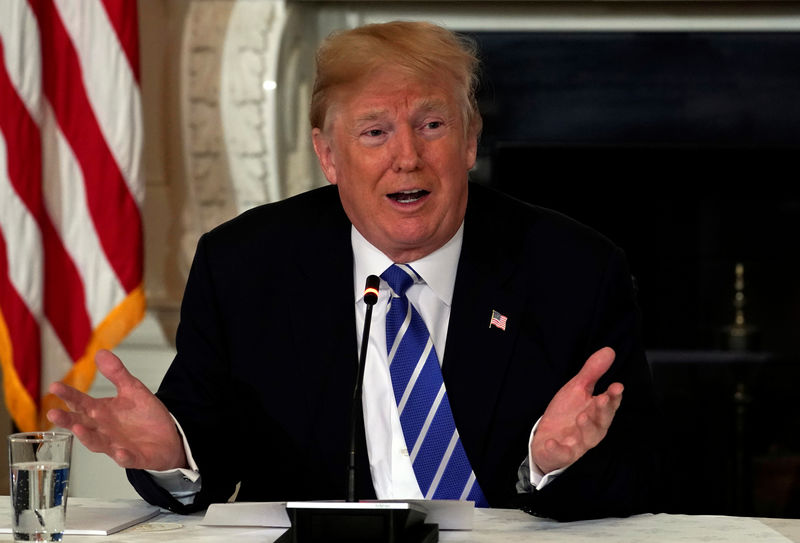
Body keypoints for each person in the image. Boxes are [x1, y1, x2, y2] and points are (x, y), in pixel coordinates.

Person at [47, 21, 657, 521]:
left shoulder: (574, 269)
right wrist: (171, 453)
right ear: (328, 155)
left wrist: (547, 464)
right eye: (375, 132)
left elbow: (637, 479)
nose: (407, 157)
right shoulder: (246, 266)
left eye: (433, 125)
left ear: (470, 141)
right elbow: (205, 455)